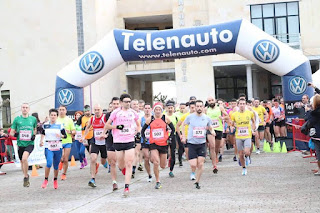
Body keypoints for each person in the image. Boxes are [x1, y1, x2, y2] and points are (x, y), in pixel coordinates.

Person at [104, 93, 141, 197]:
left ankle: (126, 187)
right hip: (118, 141)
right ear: (121, 102)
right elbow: (107, 125)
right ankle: (124, 171)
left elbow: (139, 125)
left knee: (129, 163)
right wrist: (116, 126)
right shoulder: (115, 112)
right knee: (120, 165)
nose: (128, 103)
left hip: (129, 140)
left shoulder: (133, 113)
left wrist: (138, 132)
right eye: (126, 102)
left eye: (129, 102)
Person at [141, 102, 175, 189]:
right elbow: (143, 130)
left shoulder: (165, 118)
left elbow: (173, 128)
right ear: (153, 110)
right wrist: (144, 138)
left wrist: (170, 137)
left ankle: (159, 159)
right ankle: (157, 181)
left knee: (163, 166)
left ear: (162, 110)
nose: (158, 111)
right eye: (156, 109)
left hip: (163, 143)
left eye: (159, 109)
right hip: (153, 143)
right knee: (156, 162)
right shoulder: (150, 119)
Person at [182, 100, 212, 189]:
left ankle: (197, 181)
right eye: (197, 106)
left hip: (202, 143)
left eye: (200, 106)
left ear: (203, 107)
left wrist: (212, 131)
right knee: (193, 165)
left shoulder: (206, 118)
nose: (199, 108)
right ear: (194, 107)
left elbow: (210, 126)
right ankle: (193, 172)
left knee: (201, 164)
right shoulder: (190, 117)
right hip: (191, 143)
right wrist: (184, 136)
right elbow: (183, 125)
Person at [10, 103, 37, 187]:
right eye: (23, 107)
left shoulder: (33, 119)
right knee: (22, 161)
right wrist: (15, 134)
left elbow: (35, 129)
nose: (25, 109)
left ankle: (25, 177)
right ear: (21, 109)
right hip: (20, 144)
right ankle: (26, 176)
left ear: (29, 109)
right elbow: (11, 132)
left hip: (30, 143)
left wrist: (34, 135)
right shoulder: (17, 119)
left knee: (24, 158)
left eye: (26, 107)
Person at [40, 108, 67, 189]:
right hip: (48, 146)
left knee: (56, 166)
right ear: (49, 116)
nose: (53, 116)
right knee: (49, 163)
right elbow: (42, 133)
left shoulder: (60, 125)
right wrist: (41, 141)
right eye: (51, 115)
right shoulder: (45, 125)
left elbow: (65, 135)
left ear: (57, 116)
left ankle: (55, 179)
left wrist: (61, 136)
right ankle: (46, 179)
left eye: (54, 115)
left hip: (58, 147)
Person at [82, 104, 108, 187]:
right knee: (93, 158)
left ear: (101, 110)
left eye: (98, 109)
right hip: (95, 141)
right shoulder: (92, 119)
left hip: (104, 142)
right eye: (95, 110)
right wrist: (83, 137)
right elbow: (87, 128)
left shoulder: (104, 118)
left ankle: (104, 163)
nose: (97, 111)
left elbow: (109, 127)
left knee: (103, 160)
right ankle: (92, 179)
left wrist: (105, 134)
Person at [230, 99, 255, 176]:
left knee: (247, 151)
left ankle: (247, 156)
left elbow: (253, 121)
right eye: (240, 104)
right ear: (238, 105)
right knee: (240, 154)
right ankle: (244, 168)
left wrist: (253, 129)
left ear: (245, 105)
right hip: (238, 136)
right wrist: (232, 127)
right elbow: (231, 123)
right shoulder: (234, 114)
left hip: (247, 135)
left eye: (243, 104)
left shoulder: (250, 113)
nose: (242, 105)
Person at [205, 96, 227, 173]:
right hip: (210, 129)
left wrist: (223, 118)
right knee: (212, 146)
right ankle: (214, 165)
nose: (211, 102)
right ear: (207, 102)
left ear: (215, 101)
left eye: (212, 100)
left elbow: (227, 116)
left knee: (217, 147)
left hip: (219, 129)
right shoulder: (206, 109)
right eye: (209, 100)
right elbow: (202, 118)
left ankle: (215, 156)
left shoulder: (220, 107)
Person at [104, 97, 120, 191]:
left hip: (122, 139)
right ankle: (114, 182)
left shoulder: (124, 114)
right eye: (114, 104)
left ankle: (124, 169)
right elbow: (106, 125)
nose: (115, 106)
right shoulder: (108, 115)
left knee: (121, 162)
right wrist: (103, 133)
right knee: (112, 162)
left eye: (117, 104)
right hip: (110, 138)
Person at [57, 105, 76, 180]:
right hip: (58, 141)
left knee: (65, 159)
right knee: (60, 158)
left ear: (66, 111)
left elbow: (74, 131)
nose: (61, 111)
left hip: (68, 141)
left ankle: (64, 173)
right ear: (58, 111)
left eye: (63, 110)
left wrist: (70, 131)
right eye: (60, 109)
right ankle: (60, 162)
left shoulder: (69, 120)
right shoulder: (56, 120)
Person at [177, 101, 196, 170]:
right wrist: (180, 135)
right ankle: (193, 169)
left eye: (195, 107)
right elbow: (178, 125)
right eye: (192, 108)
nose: (193, 109)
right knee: (189, 156)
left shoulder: (200, 116)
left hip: (197, 138)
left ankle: (194, 169)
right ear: (189, 108)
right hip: (187, 138)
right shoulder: (185, 116)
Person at [305, 94, 320, 176]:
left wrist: (307, 112)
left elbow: (309, 122)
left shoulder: (313, 113)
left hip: (317, 135)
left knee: (318, 153)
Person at [165, 101, 179, 177]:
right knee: (165, 152)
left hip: (173, 136)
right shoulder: (163, 116)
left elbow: (178, 126)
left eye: (171, 108)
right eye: (169, 108)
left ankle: (171, 170)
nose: (170, 109)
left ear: (174, 109)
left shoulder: (176, 116)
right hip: (164, 137)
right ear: (166, 108)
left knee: (173, 153)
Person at [140, 103, 153, 182]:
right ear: (144, 109)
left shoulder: (154, 118)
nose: (147, 110)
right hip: (144, 140)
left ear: (151, 109)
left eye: (149, 108)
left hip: (153, 140)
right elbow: (139, 128)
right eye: (146, 108)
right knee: (146, 158)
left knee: (152, 159)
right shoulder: (141, 119)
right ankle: (149, 174)